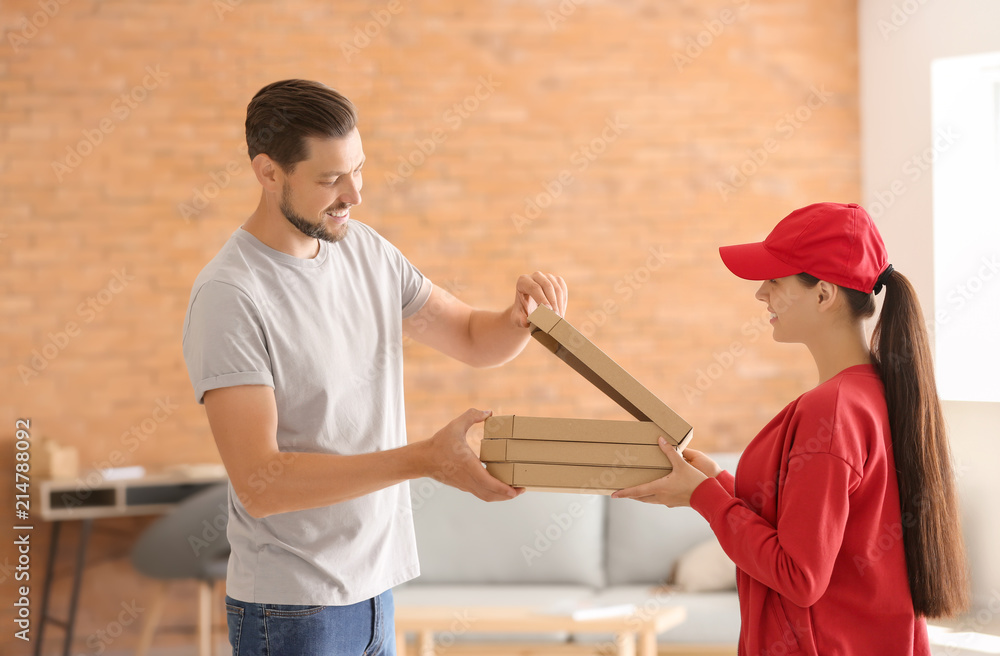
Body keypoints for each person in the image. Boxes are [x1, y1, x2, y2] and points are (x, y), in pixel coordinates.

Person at [181, 79, 568, 656]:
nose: (354, 194)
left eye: (358, 168)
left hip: (376, 592)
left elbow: (469, 335)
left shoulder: (364, 250)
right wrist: (424, 460)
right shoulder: (231, 295)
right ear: (268, 173)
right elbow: (261, 484)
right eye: (330, 178)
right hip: (291, 606)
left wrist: (518, 319)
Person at [613, 202, 969, 655]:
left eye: (775, 280)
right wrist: (714, 486)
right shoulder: (874, 393)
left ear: (823, 295)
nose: (761, 294)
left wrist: (703, 499)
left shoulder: (832, 410)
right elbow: (814, 527)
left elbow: (798, 576)